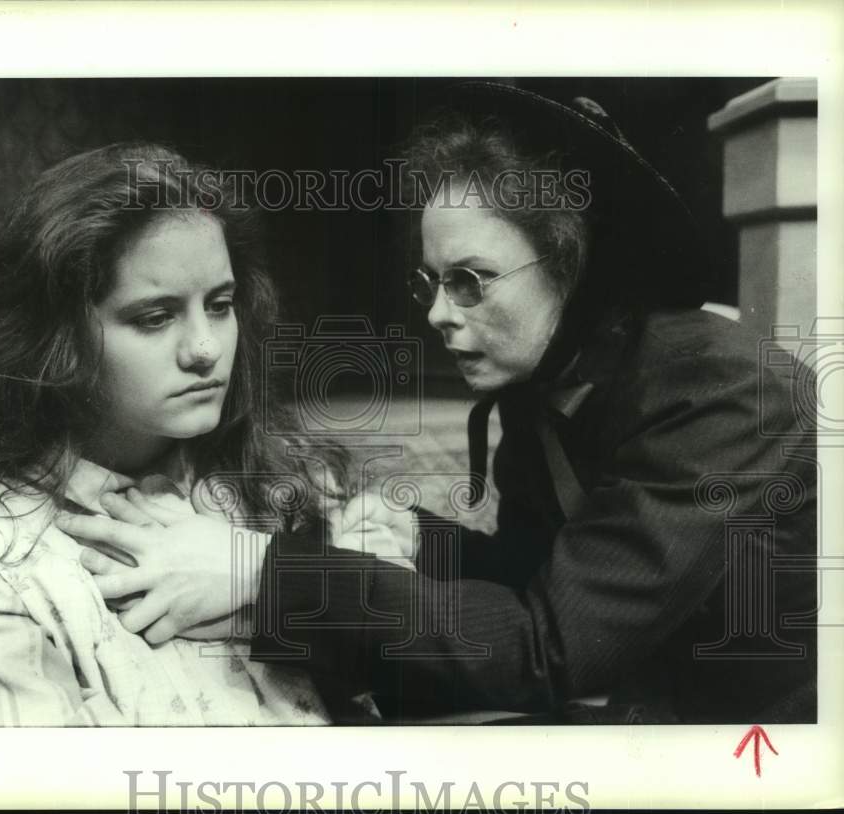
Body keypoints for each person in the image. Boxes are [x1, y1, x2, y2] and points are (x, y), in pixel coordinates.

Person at [60, 84, 818, 724]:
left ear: (570, 264)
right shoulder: (545, 379)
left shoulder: (722, 392)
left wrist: (268, 571)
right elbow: (543, 575)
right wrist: (418, 538)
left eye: (471, 281)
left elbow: (549, 650)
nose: (438, 316)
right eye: (431, 284)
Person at [0, 142, 407, 727]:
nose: (206, 349)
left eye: (221, 305)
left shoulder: (281, 477)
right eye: (155, 317)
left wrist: (332, 573)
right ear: (55, 337)